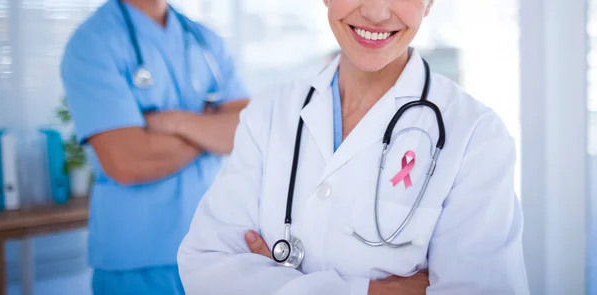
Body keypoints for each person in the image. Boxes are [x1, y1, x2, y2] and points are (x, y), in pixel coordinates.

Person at [177, 0, 530, 294]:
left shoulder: (475, 137)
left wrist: (269, 282)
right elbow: (206, 265)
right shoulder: (269, 114)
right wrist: (370, 290)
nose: (376, 12)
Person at [60, 0, 248, 294]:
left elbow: (243, 129)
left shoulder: (204, 39)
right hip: (139, 262)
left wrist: (177, 123)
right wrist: (210, 127)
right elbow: (128, 161)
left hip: (216, 249)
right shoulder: (93, 43)